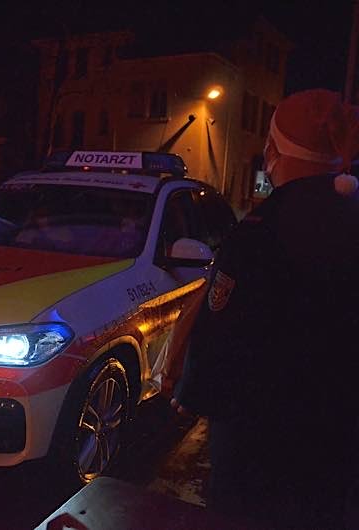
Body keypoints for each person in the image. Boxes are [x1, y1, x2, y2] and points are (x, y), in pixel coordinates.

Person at [171, 89, 359, 529]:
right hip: (339, 433)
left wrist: (191, 393)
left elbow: (224, 330)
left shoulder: (263, 230)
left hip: (261, 440)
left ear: (274, 150)